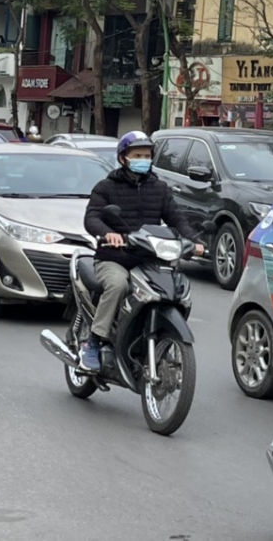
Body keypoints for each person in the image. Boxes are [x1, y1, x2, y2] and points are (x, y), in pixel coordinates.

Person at [82, 131, 202, 372]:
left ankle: (159, 336)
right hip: (115, 256)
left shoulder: (159, 188)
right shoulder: (106, 187)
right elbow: (92, 217)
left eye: (146, 155)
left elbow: (177, 219)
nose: (143, 159)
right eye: (137, 155)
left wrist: (194, 242)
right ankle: (95, 341)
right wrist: (108, 234)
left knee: (173, 290)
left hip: (149, 258)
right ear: (123, 158)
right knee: (118, 285)